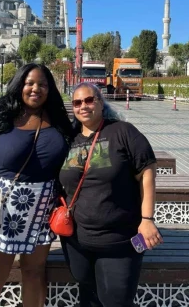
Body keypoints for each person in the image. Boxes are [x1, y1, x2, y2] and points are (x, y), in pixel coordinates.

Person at [0, 63, 73, 307]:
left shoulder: (58, 120)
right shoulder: (0, 120)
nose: (36, 89)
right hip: (3, 210)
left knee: (34, 275)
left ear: (50, 89)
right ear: (19, 85)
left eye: (42, 84)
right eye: (29, 83)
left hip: (42, 211)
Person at [58, 82, 162, 307]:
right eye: (77, 102)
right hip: (76, 241)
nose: (83, 106)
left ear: (100, 102)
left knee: (116, 301)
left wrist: (147, 219)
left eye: (89, 100)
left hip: (120, 240)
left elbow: (147, 172)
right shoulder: (70, 139)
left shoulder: (123, 131)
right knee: (88, 297)